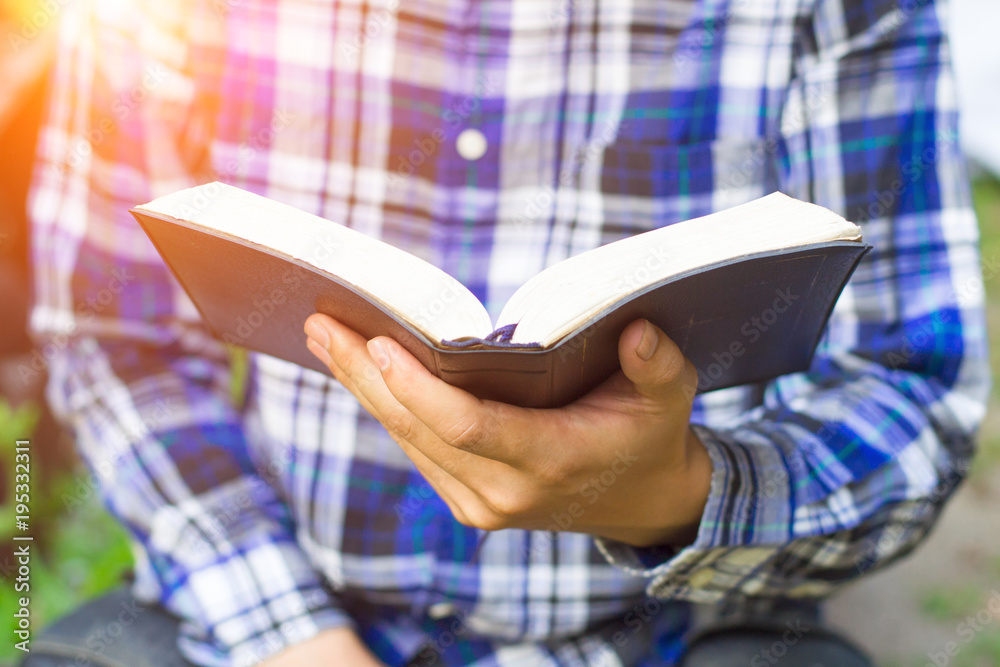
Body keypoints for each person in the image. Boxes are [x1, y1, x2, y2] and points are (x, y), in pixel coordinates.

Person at [25, 0, 989, 665]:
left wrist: (671, 495)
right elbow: (112, 332)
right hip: (275, 606)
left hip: (683, 629)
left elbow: (910, 385)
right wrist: (286, 631)